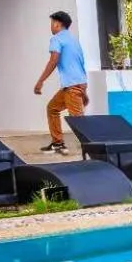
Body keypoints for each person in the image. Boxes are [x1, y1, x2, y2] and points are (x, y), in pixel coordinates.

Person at [34, 11, 88, 154]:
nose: (51, 26)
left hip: (72, 86)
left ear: (58, 24)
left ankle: (95, 150)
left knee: (79, 121)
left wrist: (40, 81)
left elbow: (53, 61)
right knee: (52, 108)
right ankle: (57, 143)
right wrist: (84, 90)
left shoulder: (57, 39)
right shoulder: (73, 40)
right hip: (76, 84)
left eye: (52, 23)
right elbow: (80, 63)